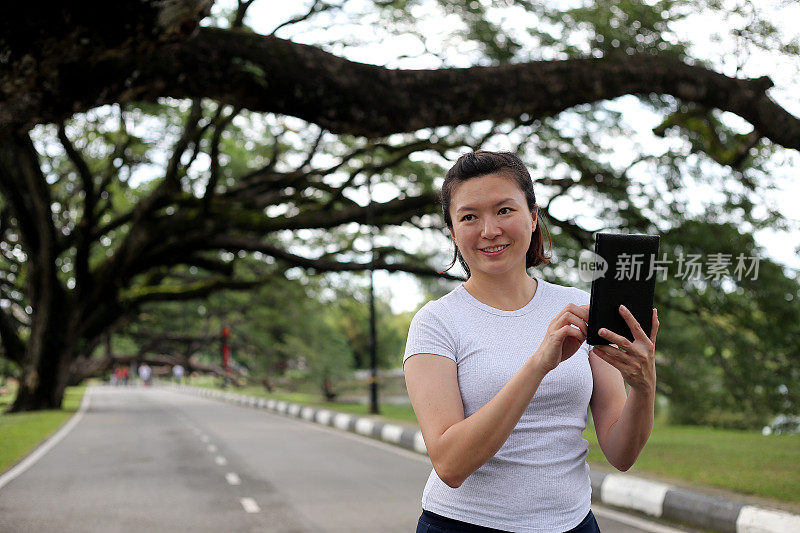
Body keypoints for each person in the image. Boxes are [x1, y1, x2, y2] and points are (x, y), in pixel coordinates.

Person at [403, 151, 659, 533]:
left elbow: (621, 453)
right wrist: (539, 364)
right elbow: (451, 465)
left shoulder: (580, 309)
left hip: (573, 525)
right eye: (469, 216)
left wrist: (643, 384)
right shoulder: (436, 322)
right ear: (453, 232)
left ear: (533, 215)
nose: (489, 230)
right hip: (465, 526)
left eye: (504, 210)